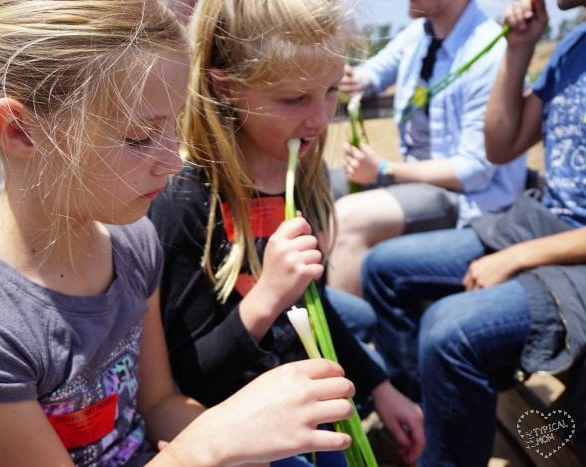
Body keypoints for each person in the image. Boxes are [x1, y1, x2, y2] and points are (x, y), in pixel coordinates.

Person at [0, 2, 361, 465]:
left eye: (172, 125)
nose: (175, 161)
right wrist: (212, 443)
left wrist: (245, 437)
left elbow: (157, 405)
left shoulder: (131, 242)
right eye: (139, 136)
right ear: (20, 131)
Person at [149, 0, 425, 464]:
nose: (319, 118)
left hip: (308, 415)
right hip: (243, 436)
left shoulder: (302, 183)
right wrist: (267, 297)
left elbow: (313, 308)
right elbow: (192, 377)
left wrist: (380, 385)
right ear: (227, 87)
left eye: (332, 90)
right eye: (294, 99)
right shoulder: (186, 202)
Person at [361, 0, 586, 464]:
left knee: (451, 329)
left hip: (570, 255)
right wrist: (519, 49)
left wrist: (516, 257)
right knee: (383, 268)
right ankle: (421, 420)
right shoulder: (572, 47)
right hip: (544, 225)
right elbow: (501, 146)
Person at [327, 0, 528, 296]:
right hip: (417, 184)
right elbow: (372, 74)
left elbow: (474, 171)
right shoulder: (419, 35)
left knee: (348, 218)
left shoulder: (490, 53)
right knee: (318, 185)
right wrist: (349, 77)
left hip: (469, 199)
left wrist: (384, 169)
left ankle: (350, 335)